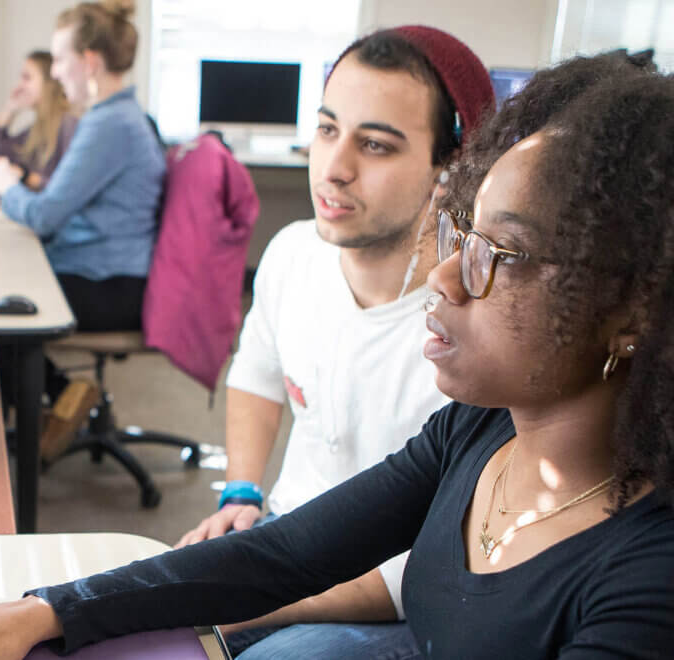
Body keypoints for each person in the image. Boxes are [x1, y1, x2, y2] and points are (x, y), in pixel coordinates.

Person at [0, 67, 674, 660]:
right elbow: (280, 555)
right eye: (462, 234)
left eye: (505, 253)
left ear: (634, 309)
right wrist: (46, 612)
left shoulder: (646, 588)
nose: (448, 276)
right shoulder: (480, 433)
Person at [176, 26, 494, 657]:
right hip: (293, 541)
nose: (334, 167)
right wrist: (241, 493)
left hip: (403, 590)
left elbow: (433, 564)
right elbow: (258, 376)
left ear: (450, 167)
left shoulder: (474, 324)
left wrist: (250, 595)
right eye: (327, 130)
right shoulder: (294, 252)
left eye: (374, 145)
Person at [0, 0, 165, 459]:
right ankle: (58, 402)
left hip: (110, 286)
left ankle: (14, 454)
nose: (57, 74)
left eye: (61, 60)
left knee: (1, 319)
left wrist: (7, 185)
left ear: (88, 62)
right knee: (2, 300)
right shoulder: (112, 119)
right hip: (102, 273)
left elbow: (46, 215)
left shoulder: (110, 125)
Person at [0, 50, 78, 190]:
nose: (19, 86)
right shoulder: (37, 130)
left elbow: (69, 188)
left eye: (27, 77)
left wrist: (25, 177)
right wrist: (9, 109)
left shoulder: (69, 125)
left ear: (50, 82)